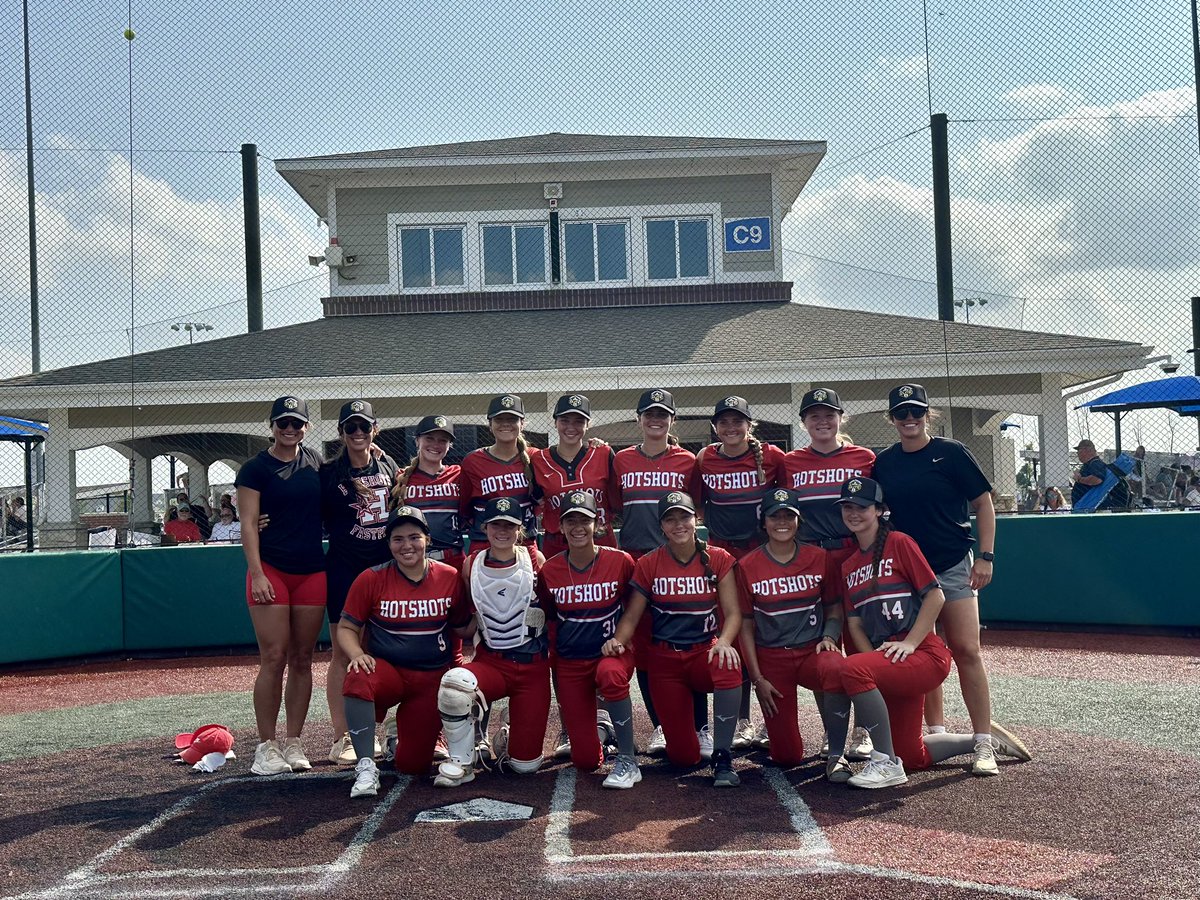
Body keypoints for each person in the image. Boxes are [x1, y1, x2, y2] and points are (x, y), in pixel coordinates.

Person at [824, 477, 1030, 788]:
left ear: (879, 511)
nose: (854, 513)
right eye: (848, 507)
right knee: (913, 754)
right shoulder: (849, 564)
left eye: (862, 507)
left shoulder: (900, 543)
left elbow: (936, 595)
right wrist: (872, 664)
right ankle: (979, 739)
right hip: (890, 659)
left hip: (923, 654)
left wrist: (910, 642)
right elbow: (854, 624)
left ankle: (885, 763)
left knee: (849, 668)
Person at [872, 383, 1019, 776]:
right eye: (901, 414)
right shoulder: (883, 463)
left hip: (953, 564)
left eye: (916, 412)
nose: (909, 420)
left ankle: (983, 741)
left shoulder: (951, 452)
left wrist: (986, 557)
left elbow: (983, 504)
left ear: (927, 414)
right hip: (908, 572)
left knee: (966, 649)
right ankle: (934, 732)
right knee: (924, 651)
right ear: (892, 418)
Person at [605, 491, 742, 787]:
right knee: (683, 757)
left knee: (728, 664)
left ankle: (722, 755)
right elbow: (632, 616)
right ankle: (690, 733)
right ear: (661, 526)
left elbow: (733, 613)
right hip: (665, 662)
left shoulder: (718, 558)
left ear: (697, 519)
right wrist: (618, 640)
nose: (678, 524)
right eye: (670, 519)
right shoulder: (650, 563)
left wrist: (724, 641)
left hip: (703, 653)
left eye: (684, 517)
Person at [337, 506, 472, 798]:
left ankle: (397, 741)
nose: (407, 545)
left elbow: (463, 627)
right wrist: (356, 653)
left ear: (428, 539)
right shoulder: (371, 578)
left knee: (413, 765)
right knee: (358, 675)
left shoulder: (449, 577)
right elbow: (346, 628)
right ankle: (364, 764)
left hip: (430, 679)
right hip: (390, 673)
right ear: (388, 544)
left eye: (414, 537)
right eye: (398, 539)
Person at [778, 387, 877, 762]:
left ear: (841, 417)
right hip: (813, 558)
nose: (822, 421)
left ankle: (864, 730)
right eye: (814, 415)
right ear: (803, 422)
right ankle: (831, 730)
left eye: (828, 414)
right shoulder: (790, 462)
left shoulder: (864, 457)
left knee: (860, 639)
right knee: (826, 643)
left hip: (855, 554)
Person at [235, 395, 327, 777]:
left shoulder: (317, 464)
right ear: (271, 425)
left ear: (306, 427)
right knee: (273, 657)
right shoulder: (255, 469)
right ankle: (266, 745)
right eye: (283, 423)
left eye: (297, 424)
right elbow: (248, 523)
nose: (290, 430)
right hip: (271, 569)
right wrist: (256, 573)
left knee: (303, 658)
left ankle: (293, 741)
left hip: (311, 571)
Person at [612, 389, 704, 758]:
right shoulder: (620, 460)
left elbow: (695, 507)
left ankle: (700, 725)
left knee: (690, 639)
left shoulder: (687, 461)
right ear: (638, 419)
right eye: (649, 413)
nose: (656, 419)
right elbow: (617, 505)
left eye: (663, 414)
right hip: (637, 559)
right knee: (648, 648)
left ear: (673, 420)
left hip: (678, 559)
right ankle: (662, 725)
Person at [434, 497, 550, 787]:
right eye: (496, 524)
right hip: (492, 664)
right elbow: (466, 620)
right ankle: (462, 761)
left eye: (509, 525)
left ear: (519, 529)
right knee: (456, 684)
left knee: (525, 767)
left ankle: (508, 731)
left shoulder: (535, 561)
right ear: (484, 528)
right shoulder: (471, 564)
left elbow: (551, 612)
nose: (502, 530)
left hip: (532, 670)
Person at [695, 396, 785, 748]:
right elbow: (698, 504)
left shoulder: (774, 457)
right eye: (724, 422)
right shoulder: (705, 459)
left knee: (767, 631)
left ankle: (772, 717)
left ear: (750, 425)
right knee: (731, 633)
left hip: (760, 555)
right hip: (722, 555)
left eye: (738, 421)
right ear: (715, 426)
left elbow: (785, 504)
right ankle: (743, 719)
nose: (731, 428)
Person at [736, 488, 846, 777]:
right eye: (775, 516)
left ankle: (836, 753)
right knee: (787, 757)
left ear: (799, 521)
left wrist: (829, 637)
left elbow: (835, 608)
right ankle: (778, 739)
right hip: (772, 659)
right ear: (764, 522)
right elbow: (745, 625)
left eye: (789, 516)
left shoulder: (820, 558)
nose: (782, 522)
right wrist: (757, 678)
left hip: (812, 650)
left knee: (836, 667)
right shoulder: (747, 566)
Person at [537, 491, 640, 788]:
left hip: (610, 655)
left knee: (610, 674)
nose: (578, 527)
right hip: (571, 661)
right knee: (584, 760)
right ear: (560, 525)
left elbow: (634, 608)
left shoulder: (620, 561)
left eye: (585, 520)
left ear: (598, 524)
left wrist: (621, 639)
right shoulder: (551, 569)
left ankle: (628, 759)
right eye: (571, 520)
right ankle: (603, 730)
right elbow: (549, 614)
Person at [320, 401, 399, 766]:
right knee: (342, 650)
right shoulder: (328, 472)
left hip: (384, 568)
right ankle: (342, 735)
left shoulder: (388, 465)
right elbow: (303, 509)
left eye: (364, 427)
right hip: (344, 568)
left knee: (379, 648)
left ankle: (375, 730)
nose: (357, 434)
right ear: (340, 432)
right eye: (350, 428)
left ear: (375, 429)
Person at [532, 394, 619, 559]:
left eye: (579, 421)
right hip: (558, 544)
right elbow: (536, 501)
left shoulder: (603, 453)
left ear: (588, 424)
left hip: (600, 540)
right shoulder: (538, 460)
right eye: (565, 420)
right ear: (555, 422)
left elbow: (616, 501)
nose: (571, 427)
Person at [1070, 439, 1108, 507]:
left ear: (1087, 450)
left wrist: (1079, 479)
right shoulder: (1089, 464)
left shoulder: (1095, 463)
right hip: (1084, 505)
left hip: (1089, 506)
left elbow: (1097, 479)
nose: (1077, 453)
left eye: (1079, 450)